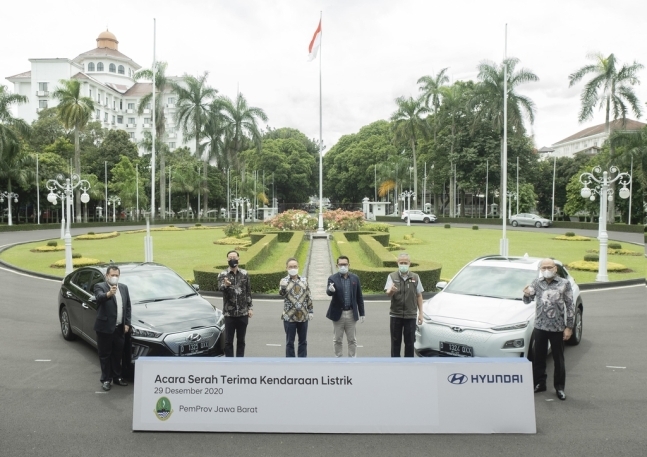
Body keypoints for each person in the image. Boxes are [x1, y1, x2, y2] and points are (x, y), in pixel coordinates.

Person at [523, 258, 574, 401]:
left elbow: (570, 306)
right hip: (540, 326)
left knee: (559, 359)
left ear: (555, 268)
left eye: (549, 267)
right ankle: (540, 383)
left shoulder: (564, 284)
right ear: (540, 269)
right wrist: (526, 294)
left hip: (557, 327)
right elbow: (528, 300)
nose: (547, 269)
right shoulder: (537, 283)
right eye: (543, 267)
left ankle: (559, 387)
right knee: (538, 357)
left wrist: (569, 327)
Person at [93, 265, 131, 391]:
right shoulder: (100, 287)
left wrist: (126, 323)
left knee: (117, 354)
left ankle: (117, 377)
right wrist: (109, 293)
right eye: (112, 275)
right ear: (107, 276)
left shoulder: (124, 288)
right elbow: (99, 297)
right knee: (105, 355)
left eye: (116, 275)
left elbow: (128, 307)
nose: (114, 277)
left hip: (119, 328)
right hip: (105, 328)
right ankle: (106, 379)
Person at [384, 252, 423, 357]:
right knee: (395, 343)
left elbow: (419, 295)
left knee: (410, 343)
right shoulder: (392, 276)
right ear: (397, 263)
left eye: (405, 262)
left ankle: (408, 366)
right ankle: (395, 366)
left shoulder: (415, 277)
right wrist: (391, 290)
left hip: (410, 315)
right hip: (395, 315)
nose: (403, 265)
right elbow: (388, 294)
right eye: (401, 263)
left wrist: (421, 314)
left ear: (409, 263)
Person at [326, 256, 365, 357]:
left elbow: (359, 296)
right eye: (341, 264)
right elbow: (328, 293)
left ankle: (352, 359)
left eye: (345, 264)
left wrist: (362, 313)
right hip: (338, 313)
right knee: (337, 339)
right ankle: (338, 358)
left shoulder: (355, 278)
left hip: (351, 313)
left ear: (349, 265)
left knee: (352, 339)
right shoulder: (332, 278)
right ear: (337, 265)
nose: (343, 266)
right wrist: (330, 290)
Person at [218, 250, 253, 357]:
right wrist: (226, 285)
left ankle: (240, 361)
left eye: (234, 257)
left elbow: (248, 292)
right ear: (227, 259)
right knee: (228, 341)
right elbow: (220, 288)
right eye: (230, 258)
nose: (232, 259)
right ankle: (230, 362)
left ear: (238, 259)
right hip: (229, 314)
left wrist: (250, 307)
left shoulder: (244, 274)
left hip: (243, 313)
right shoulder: (223, 274)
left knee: (241, 340)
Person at [279, 258, 313, 357]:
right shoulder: (284, 281)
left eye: (295, 266)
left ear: (298, 267)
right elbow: (282, 294)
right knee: (290, 342)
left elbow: (308, 296)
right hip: (289, 316)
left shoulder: (304, 280)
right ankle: (290, 362)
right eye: (290, 267)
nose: (293, 268)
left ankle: (302, 361)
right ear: (286, 268)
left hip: (303, 315)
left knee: (303, 341)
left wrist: (311, 310)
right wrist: (283, 287)